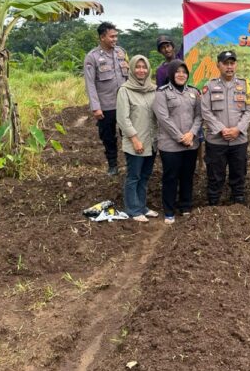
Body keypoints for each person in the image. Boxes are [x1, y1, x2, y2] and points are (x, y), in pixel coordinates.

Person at [200, 50, 250, 206]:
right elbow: (205, 111)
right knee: (215, 175)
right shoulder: (209, 86)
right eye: (226, 63)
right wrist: (221, 129)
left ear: (236, 65)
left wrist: (238, 129)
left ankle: (238, 203)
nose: (229, 67)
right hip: (216, 141)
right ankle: (213, 205)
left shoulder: (245, 85)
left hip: (239, 140)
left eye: (232, 63)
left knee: (239, 173)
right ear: (218, 65)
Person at [154, 59, 202, 224]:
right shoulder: (162, 93)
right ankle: (169, 210)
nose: (181, 75)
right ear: (171, 74)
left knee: (187, 176)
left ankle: (185, 206)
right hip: (170, 145)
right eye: (177, 72)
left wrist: (192, 134)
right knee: (171, 177)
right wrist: (181, 137)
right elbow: (163, 118)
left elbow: (199, 116)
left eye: (184, 72)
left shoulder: (194, 92)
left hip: (191, 144)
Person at [116, 55, 158, 222]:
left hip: (151, 141)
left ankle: (142, 206)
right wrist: (135, 139)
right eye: (138, 67)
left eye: (144, 67)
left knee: (145, 176)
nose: (141, 70)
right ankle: (133, 209)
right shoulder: (125, 90)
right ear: (132, 69)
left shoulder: (153, 89)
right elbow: (123, 118)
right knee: (134, 176)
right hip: (136, 142)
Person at [84, 21, 128, 175]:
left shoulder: (121, 52)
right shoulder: (92, 57)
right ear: (102, 37)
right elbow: (90, 84)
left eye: (116, 36)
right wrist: (95, 107)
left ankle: (130, 163)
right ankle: (113, 165)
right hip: (106, 105)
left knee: (128, 134)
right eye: (112, 36)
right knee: (108, 137)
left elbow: (128, 77)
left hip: (124, 103)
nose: (115, 39)